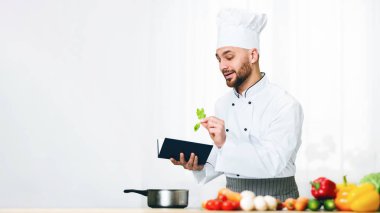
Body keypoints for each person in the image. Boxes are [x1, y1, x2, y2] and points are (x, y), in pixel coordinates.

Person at [170, 8, 303, 201]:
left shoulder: (285, 104)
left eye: (229, 56)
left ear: (253, 55)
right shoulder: (222, 104)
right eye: (219, 58)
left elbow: (273, 162)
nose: (222, 65)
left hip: (278, 199)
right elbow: (227, 158)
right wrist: (202, 165)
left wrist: (224, 142)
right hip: (233, 200)